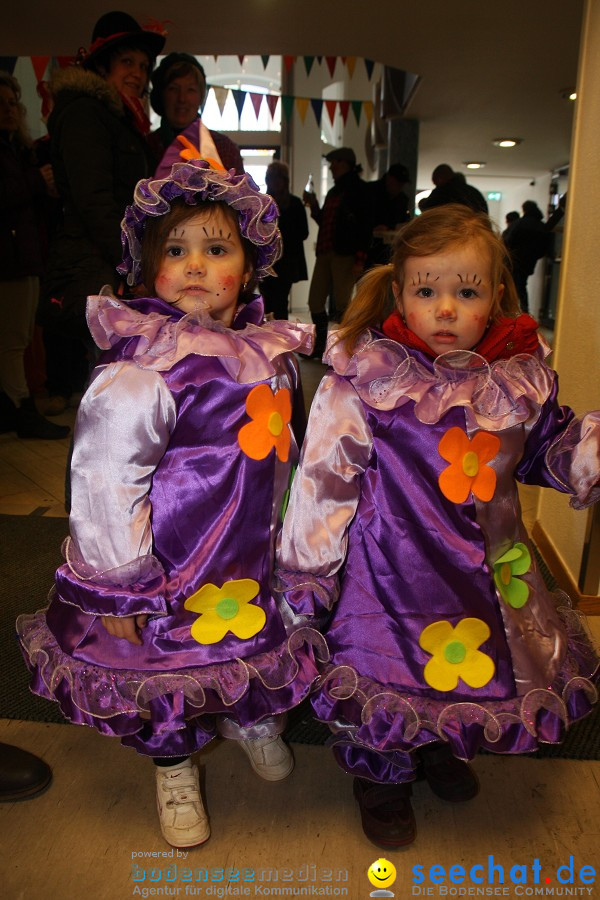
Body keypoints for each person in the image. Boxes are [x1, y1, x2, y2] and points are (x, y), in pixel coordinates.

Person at [17, 157, 325, 849]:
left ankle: (246, 718)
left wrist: (294, 548)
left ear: (248, 269)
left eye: (216, 250)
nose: (194, 266)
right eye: (175, 251)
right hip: (166, 567)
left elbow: (290, 456)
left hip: (244, 556)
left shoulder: (269, 352)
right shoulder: (144, 364)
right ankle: (174, 764)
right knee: (163, 672)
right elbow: (103, 481)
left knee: (246, 642)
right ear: (147, 270)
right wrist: (119, 589)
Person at [275, 204, 599, 848]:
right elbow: (324, 478)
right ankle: (383, 775)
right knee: (390, 673)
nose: (446, 309)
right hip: (388, 576)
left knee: (464, 665)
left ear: (496, 297)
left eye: (467, 292)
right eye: (427, 291)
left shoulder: (513, 381)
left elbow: (543, 450)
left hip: (479, 575)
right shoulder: (368, 380)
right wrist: (307, 571)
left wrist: (585, 453)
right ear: (400, 294)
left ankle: (439, 740)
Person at [38, 11, 165, 414]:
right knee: (104, 394)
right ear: (102, 64)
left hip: (108, 265)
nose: (138, 74)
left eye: (143, 66)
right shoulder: (85, 114)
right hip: (94, 269)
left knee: (114, 390)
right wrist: (134, 266)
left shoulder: (120, 119)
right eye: (127, 62)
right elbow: (94, 202)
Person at [0, 71, 69, 440]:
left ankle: (13, 405)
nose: (8, 111)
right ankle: (20, 407)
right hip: (10, 262)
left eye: (12, 104)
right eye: (0, 105)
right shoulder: (14, 157)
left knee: (18, 338)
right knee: (13, 340)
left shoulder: (18, 150)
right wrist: (36, 182)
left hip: (23, 258)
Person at [303, 147, 373, 358]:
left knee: (343, 304)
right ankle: (322, 345)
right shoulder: (335, 191)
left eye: (334, 162)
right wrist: (314, 206)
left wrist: (360, 257)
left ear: (345, 163)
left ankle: (344, 348)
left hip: (345, 253)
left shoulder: (359, 190)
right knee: (315, 300)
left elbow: (365, 226)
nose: (331, 167)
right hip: (326, 252)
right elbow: (325, 221)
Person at [149, 53, 244, 178]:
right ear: (161, 95)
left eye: (191, 90)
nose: (182, 98)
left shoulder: (224, 148)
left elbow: (241, 195)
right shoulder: (147, 147)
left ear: (201, 97)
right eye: (173, 89)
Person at [261, 160, 309, 319]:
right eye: (271, 178)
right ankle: (268, 337)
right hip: (266, 260)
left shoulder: (294, 204)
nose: (274, 182)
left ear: (285, 181)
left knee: (280, 301)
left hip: (286, 261)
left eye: (278, 178)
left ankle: (281, 338)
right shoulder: (262, 203)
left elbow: (303, 232)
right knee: (266, 301)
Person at [503, 200, 551, 314]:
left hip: (513, 260)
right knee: (521, 286)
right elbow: (544, 247)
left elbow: (507, 241)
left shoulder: (519, 224)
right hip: (529, 261)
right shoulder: (541, 226)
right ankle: (524, 310)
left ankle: (509, 310)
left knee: (510, 286)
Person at [365, 163, 411, 268]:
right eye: (398, 183)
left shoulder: (402, 199)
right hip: (367, 248)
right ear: (389, 178)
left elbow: (403, 220)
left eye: (401, 184)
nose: (399, 187)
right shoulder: (370, 192)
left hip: (389, 248)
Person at [419, 163, 488, 214]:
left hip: (454, 231)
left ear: (440, 179)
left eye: (435, 182)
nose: (435, 185)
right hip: (477, 229)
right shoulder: (473, 192)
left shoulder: (443, 191)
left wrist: (421, 202)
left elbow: (427, 208)